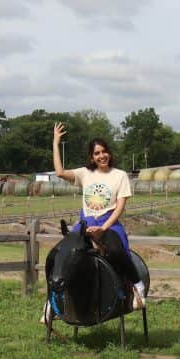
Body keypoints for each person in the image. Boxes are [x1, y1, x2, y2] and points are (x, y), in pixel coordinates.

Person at [52, 123, 146, 309]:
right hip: (86, 223)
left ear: (109, 153)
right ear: (92, 157)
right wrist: (56, 142)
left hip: (109, 222)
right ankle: (54, 299)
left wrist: (103, 228)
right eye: (97, 153)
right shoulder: (85, 173)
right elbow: (60, 172)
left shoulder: (120, 175)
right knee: (61, 252)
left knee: (118, 251)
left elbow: (120, 207)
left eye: (104, 151)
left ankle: (137, 285)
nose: (101, 156)